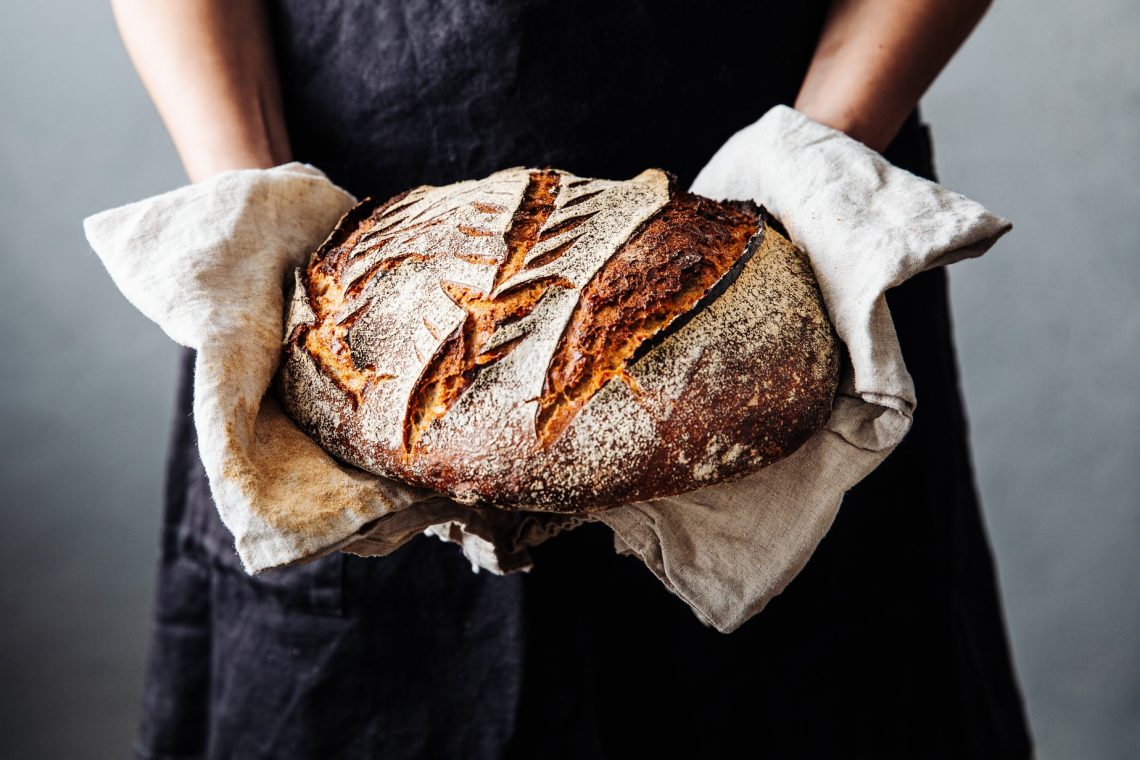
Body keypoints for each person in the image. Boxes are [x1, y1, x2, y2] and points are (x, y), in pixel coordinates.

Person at [111, 1, 1034, 757]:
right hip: (353, 290)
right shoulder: (323, 305)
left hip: (793, 245)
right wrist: (257, 200)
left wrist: (815, 158)